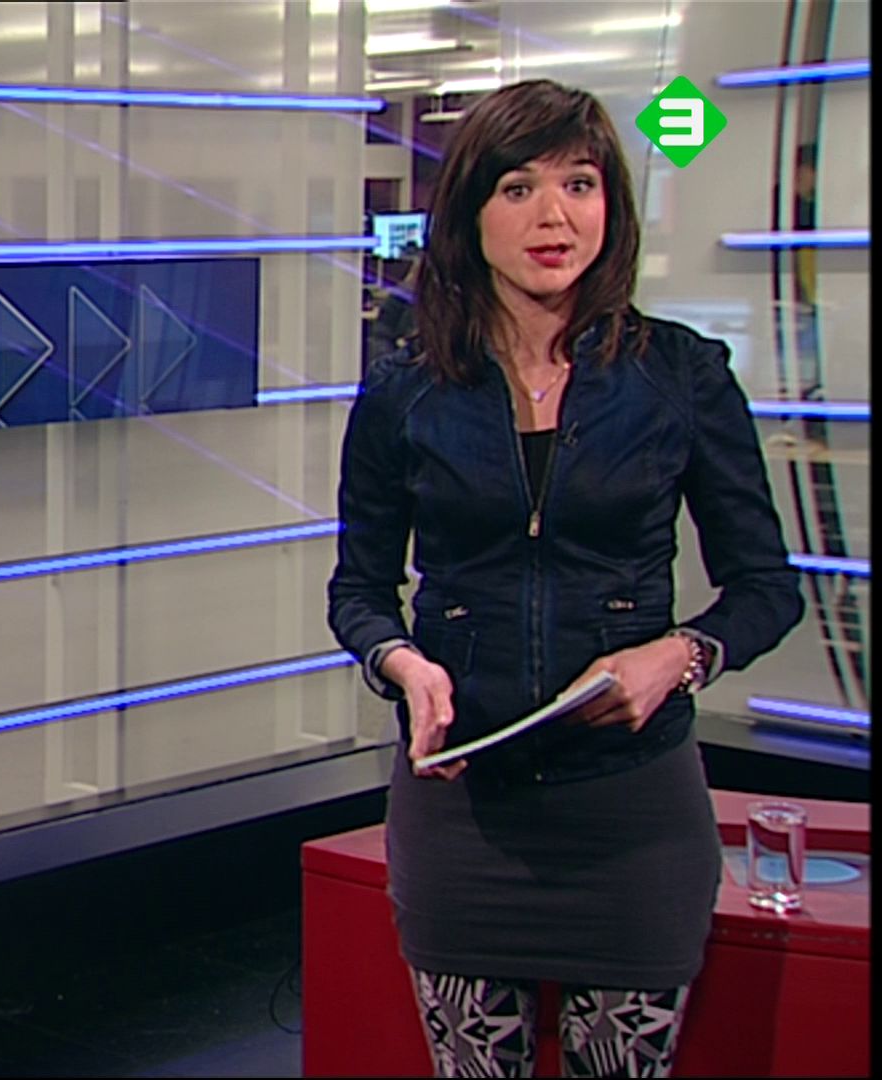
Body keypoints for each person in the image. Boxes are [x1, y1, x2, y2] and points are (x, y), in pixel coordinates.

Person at [326, 80, 804, 1078]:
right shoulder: (406, 390)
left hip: (633, 814)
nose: (555, 217)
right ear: (469, 215)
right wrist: (404, 665)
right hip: (464, 809)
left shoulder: (682, 376)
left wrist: (680, 656)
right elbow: (359, 592)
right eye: (519, 188)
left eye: (579, 185)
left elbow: (766, 586)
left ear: (610, 205)